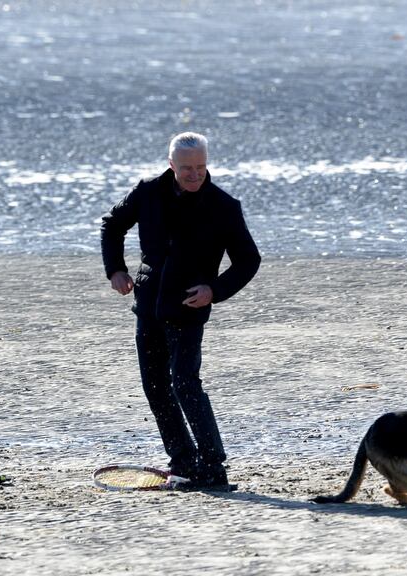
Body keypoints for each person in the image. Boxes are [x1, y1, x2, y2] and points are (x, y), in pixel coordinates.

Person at [100, 132, 261, 489]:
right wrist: (116, 269)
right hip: (148, 307)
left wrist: (214, 290)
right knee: (155, 387)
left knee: (186, 384)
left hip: (188, 308)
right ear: (171, 165)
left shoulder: (223, 206)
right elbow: (112, 225)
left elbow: (249, 260)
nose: (195, 174)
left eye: (201, 167)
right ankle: (183, 462)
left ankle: (213, 466)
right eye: (187, 168)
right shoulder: (148, 191)